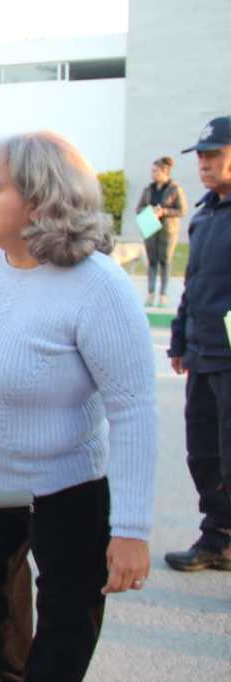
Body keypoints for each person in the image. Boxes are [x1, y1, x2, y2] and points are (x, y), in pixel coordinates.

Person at [0, 130, 158, 682]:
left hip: (68, 491)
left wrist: (132, 530)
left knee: (65, 630)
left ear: (41, 200)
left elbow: (135, 409)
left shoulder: (98, 287)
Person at [166, 115, 231, 572]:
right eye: (202, 156)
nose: (204, 163)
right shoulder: (206, 212)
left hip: (228, 355)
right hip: (203, 354)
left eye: (215, 154)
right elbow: (193, 284)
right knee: (204, 452)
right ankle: (218, 538)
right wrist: (179, 341)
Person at [136, 156, 187, 307]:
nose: (153, 174)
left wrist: (164, 211)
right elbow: (138, 208)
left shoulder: (174, 189)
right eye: (152, 171)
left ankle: (163, 294)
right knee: (152, 261)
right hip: (150, 226)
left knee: (165, 261)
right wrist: (149, 210)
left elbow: (182, 210)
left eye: (156, 171)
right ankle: (150, 292)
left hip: (167, 229)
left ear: (165, 172)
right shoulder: (148, 189)